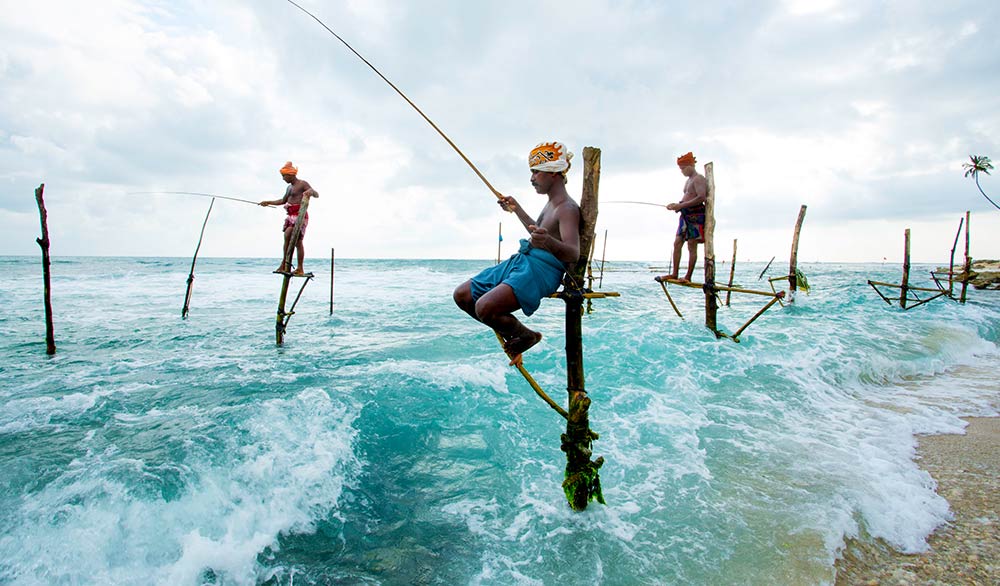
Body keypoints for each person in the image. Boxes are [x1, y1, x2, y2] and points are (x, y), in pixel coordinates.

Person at [454, 142, 581, 365]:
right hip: (524, 261)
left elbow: (573, 253)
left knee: (484, 307)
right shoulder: (551, 203)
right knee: (463, 295)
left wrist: (547, 240)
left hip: (542, 271)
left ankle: (526, 336)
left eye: (536, 171)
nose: (532, 178)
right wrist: (518, 210)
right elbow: (540, 233)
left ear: (553, 173)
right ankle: (515, 334)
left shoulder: (567, 208)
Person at [259, 161, 318, 275]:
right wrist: (268, 202)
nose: (283, 179)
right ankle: (285, 264)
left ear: (291, 174)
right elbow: (283, 200)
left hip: (300, 215)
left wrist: (309, 192)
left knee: (298, 241)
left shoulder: (302, 184)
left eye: (284, 176)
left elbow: (316, 194)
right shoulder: (288, 188)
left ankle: (300, 268)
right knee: (287, 237)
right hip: (290, 216)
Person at [656, 151, 707, 283]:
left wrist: (682, 206)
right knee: (677, 243)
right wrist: (677, 206)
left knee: (691, 245)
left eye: (683, 168)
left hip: (695, 215)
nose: (682, 171)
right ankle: (674, 273)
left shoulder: (699, 179)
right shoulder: (688, 181)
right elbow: (687, 198)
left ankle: (688, 276)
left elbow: (701, 197)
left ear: (691, 165)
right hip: (685, 215)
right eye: (680, 169)